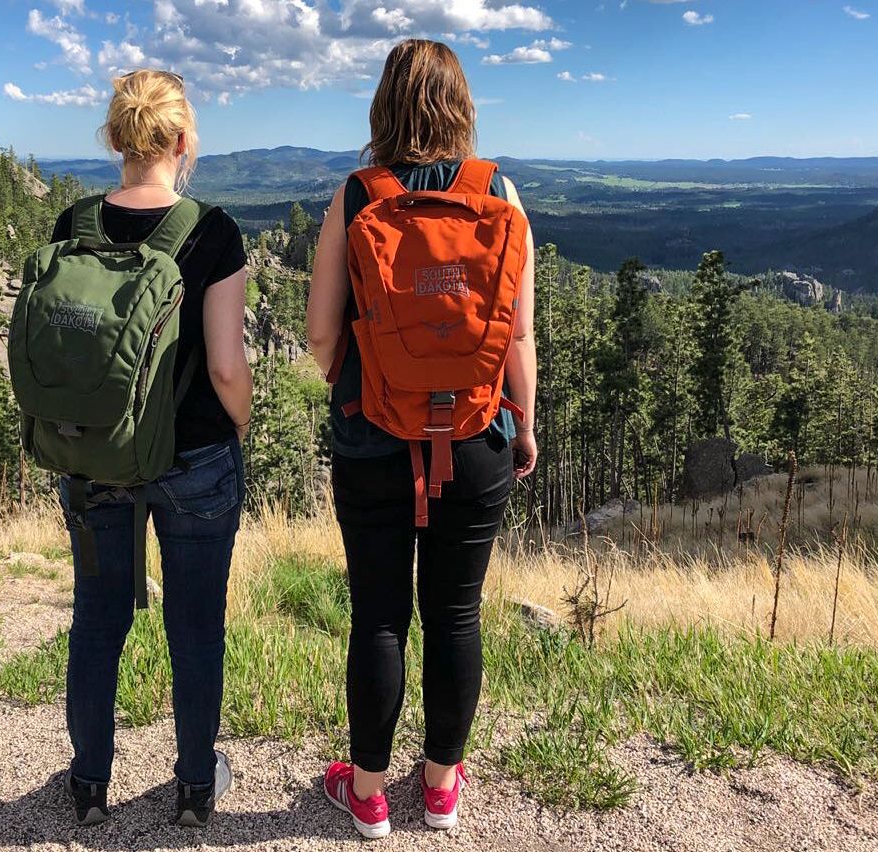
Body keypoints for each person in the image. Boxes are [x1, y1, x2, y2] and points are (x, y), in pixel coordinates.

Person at [305, 39, 538, 839]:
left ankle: (367, 793)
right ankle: (440, 787)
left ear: (384, 107)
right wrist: (525, 426)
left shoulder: (356, 194)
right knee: (456, 614)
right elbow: (518, 339)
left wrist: (366, 377)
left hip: (372, 433)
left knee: (378, 615)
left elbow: (317, 334)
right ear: (461, 105)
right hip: (477, 432)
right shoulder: (500, 193)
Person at [51, 69, 252, 829]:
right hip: (194, 458)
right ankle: (196, 790)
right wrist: (238, 425)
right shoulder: (214, 230)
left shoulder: (71, 225)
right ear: (181, 140)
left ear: (116, 138)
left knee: (97, 620)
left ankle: (89, 785)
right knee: (196, 626)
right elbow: (228, 367)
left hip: (94, 456)